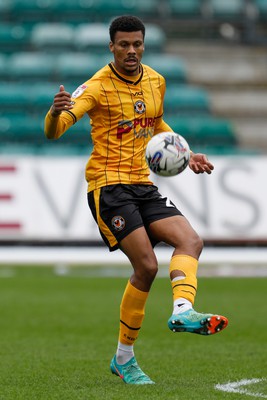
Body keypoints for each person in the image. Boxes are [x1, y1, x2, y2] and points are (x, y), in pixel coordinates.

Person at [44, 15, 228, 385]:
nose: (131, 51)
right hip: (108, 186)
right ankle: (124, 359)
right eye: (124, 44)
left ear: (144, 45)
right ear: (111, 46)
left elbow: (157, 124)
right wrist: (54, 110)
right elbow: (55, 131)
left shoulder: (156, 81)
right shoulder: (96, 86)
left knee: (190, 240)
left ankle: (182, 310)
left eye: (137, 44)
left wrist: (186, 152)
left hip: (142, 185)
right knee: (146, 266)